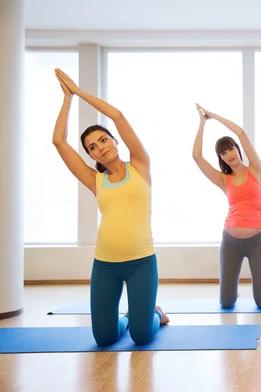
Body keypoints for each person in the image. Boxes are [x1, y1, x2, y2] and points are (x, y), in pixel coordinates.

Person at [52, 69, 169, 346]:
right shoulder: (95, 180)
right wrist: (67, 100)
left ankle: (155, 314)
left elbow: (117, 116)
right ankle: (129, 317)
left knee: (142, 337)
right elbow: (58, 141)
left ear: (115, 141)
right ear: (91, 155)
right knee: (104, 338)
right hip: (105, 265)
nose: (100, 147)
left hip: (142, 263)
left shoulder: (140, 166)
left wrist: (79, 92)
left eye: (103, 140)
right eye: (92, 147)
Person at [192, 104, 261, 309]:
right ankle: (231, 293)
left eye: (230, 149)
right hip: (231, 242)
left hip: (259, 241)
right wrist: (202, 123)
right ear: (221, 158)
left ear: (237, 149)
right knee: (226, 303)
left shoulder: (256, 170)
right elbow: (197, 157)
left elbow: (242, 133)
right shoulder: (222, 179)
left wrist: (214, 116)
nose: (229, 154)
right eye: (223, 153)